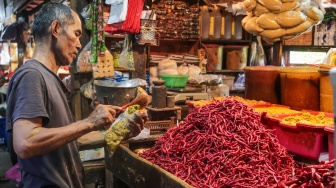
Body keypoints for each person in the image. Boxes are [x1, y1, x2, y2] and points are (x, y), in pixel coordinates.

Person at [6, 2, 145, 187]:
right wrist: (89, 122)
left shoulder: (48, 77)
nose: (79, 44)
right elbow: (25, 142)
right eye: (76, 34)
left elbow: (65, 139)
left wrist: (117, 133)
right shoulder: (32, 75)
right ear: (55, 29)